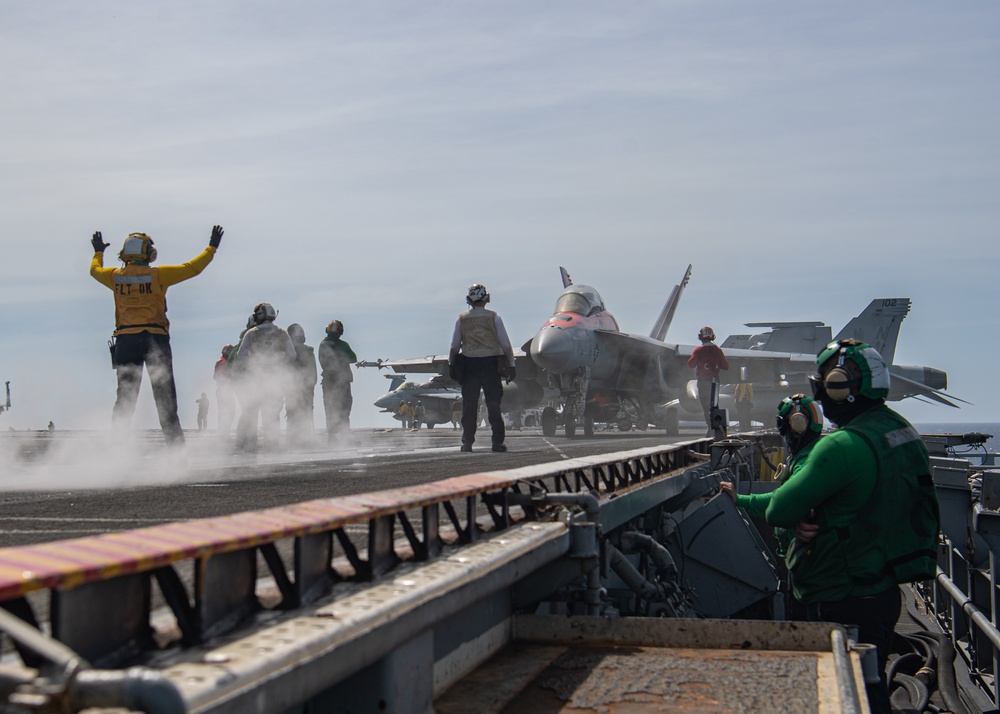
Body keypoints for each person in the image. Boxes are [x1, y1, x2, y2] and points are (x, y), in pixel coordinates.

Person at [746, 340, 937, 714]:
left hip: (841, 594)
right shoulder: (901, 431)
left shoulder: (842, 447)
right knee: (869, 683)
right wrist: (823, 512)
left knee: (846, 694)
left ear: (836, 386)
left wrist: (806, 513)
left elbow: (779, 511)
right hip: (882, 587)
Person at [90, 226, 223, 448]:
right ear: (148, 253)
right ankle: (176, 454)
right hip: (154, 339)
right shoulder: (157, 275)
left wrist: (98, 252)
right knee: (165, 400)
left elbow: (94, 270)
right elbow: (192, 268)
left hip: (125, 341)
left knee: (125, 398)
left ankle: (115, 452)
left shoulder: (115, 277)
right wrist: (212, 247)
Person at [449, 284, 515, 453]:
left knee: (469, 406)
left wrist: (451, 364)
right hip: (490, 366)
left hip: (470, 366)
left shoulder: (462, 319)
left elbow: (455, 346)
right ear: (486, 298)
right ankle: (497, 443)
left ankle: (467, 443)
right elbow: (506, 345)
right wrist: (511, 364)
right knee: (493, 405)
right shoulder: (494, 318)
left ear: (468, 300)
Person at [234, 303, 295, 451]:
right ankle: (272, 444)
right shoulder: (282, 333)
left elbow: (240, 356)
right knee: (272, 412)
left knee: (252, 411)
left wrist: (251, 366)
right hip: (275, 379)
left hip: (255, 380)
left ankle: (250, 445)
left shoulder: (251, 333)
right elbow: (292, 355)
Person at [318, 320, 357, 442]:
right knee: (344, 408)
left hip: (328, 381)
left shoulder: (322, 344)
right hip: (342, 381)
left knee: (330, 407)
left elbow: (322, 361)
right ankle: (345, 435)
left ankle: (332, 437)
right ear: (340, 331)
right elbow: (353, 358)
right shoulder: (343, 345)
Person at [687, 326, 729, 435]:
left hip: (703, 381)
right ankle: (718, 428)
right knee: (715, 404)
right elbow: (725, 366)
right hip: (715, 380)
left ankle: (710, 428)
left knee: (706, 405)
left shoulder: (699, 350)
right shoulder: (718, 350)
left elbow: (691, 364)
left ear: (701, 337)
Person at [286, 324, 318, 445]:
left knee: (292, 412)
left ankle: (292, 439)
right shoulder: (309, 351)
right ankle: (305, 439)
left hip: (292, 387)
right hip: (307, 387)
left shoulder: (288, 351)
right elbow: (313, 370)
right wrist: (311, 384)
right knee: (306, 412)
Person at [214, 344, 236, 437]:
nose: (230, 352)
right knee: (225, 411)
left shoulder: (227, 362)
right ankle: (223, 433)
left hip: (228, 389)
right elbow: (216, 376)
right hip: (223, 389)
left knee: (230, 411)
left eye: (231, 350)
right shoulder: (222, 362)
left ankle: (224, 432)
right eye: (228, 350)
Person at [733, 366, 754, 431]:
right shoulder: (742, 383)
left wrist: (739, 401)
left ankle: (744, 427)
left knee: (742, 415)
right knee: (746, 414)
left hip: (743, 401)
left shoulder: (743, 383)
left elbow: (742, 392)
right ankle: (747, 427)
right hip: (745, 401)